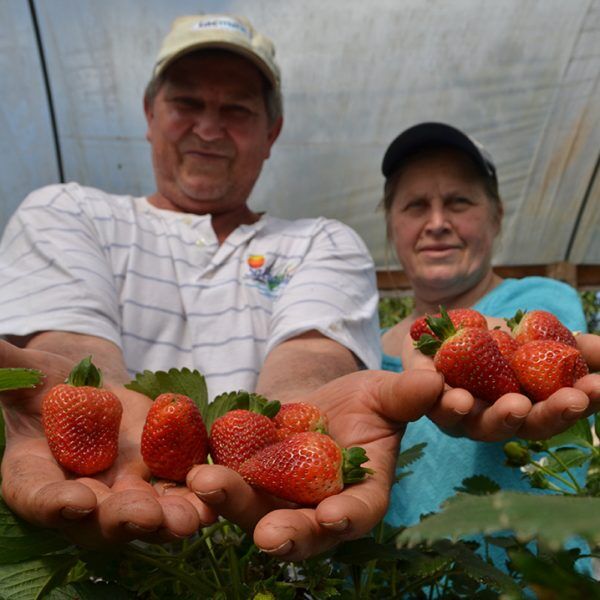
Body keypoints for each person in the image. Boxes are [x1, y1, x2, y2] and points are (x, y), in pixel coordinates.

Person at [0, 17, 598, 562]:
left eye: (237, 109)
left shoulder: (322, 241)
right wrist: (95, 392)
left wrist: (302, 422)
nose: (209, 127)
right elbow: (71, 341)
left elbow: (312, 357)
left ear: (272, 130)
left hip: (276, 559)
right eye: (187, 102)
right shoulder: (66, 211)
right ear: (150, 113)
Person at [378, 121, 598, 539]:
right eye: (416, 205)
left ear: (496, 216)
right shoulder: (366, 346)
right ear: (391, 225)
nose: (438, 221)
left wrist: (499, 343)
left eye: (459, 202)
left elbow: (550, 348)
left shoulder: (540, 298)